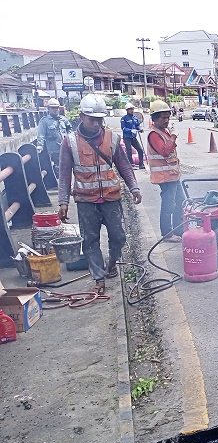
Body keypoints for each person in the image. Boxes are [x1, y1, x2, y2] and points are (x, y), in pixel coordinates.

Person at [58, 94, 142, 294]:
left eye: (99, 120)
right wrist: (63, 202)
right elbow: (63, 174)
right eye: (91, 119)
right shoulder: (69, 142)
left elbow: (124, 165)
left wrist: (134, 187)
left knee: (118, 237)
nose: (96, 124)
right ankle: (98, 278)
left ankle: (112, 262)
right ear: (81, 116)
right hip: (86, 201)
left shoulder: (112, 138)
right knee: (90, 240)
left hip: (111, 198)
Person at [146, 100, 184, 243]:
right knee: (169, 204)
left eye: (168, 117)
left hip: (173, 175)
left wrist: (171, 135)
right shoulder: (154, 134)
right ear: (154, 119)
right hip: (165, 177)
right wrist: (174, 136)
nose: (166, 120)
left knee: (181, 201)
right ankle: (167, 233)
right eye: (163, 118)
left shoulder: (164, 132)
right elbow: (165, 151)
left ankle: (179, 230)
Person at [36, 98, 72, 178]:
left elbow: (70, 128)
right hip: (54, 148)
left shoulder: (63, 119)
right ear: (48, 109)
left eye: (57, 107)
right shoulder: (44, 121)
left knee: (68, 165)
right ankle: (60, 183)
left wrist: (69, 137)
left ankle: (68, 183)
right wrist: (40, 146)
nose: (55, 109)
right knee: (58, 166)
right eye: (53, 108)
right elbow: (41, 134)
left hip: (66, 147)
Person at [120, 103, 145, 169]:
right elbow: (123, 128)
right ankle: (131, 164)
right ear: (127, 110)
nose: (132, 110)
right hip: (127, 137)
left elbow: (137, 125)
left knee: (140, 150)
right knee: (129, 150)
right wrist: (130, 130)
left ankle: (141, 164)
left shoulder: (135, 117)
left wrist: (140, 129)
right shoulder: (124, 118)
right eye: (130, 109)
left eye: (133, 109)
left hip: (133, 137)